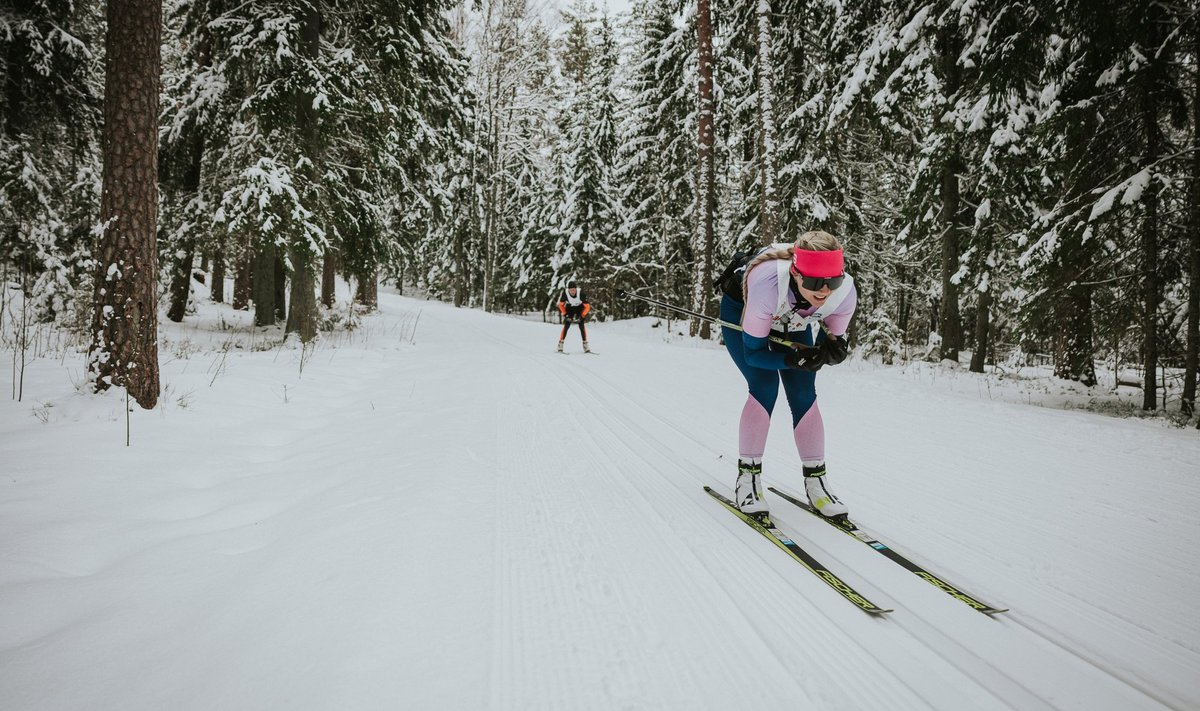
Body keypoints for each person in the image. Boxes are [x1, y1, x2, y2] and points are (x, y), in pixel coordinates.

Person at [716, 231, 857, 519]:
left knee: (804, 390)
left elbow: (832, 339)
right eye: (816, 282)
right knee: (764, 384)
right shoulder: (768, 284)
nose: (824, 291)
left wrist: (831, 351)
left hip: (794, 318)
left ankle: (817, 481)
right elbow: (755, 353)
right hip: (744, 309)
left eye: (833, 281)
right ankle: (748, 478)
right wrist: (792, 358)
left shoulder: (844, 293)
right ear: (795, 272)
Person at [557, 280, 591, 353]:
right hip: (570, 308)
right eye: (571, 290)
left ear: (576, 289)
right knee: (566, 325)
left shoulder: (581, 293)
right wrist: (565, 314)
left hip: (579, 307)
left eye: (574, 290)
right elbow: (560, 305)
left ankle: (585, 344)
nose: (572, 291)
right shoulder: (565, 294)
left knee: (581, 326)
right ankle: (560, 344)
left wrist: (582, 315)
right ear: (568, 289)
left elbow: (587, 307)